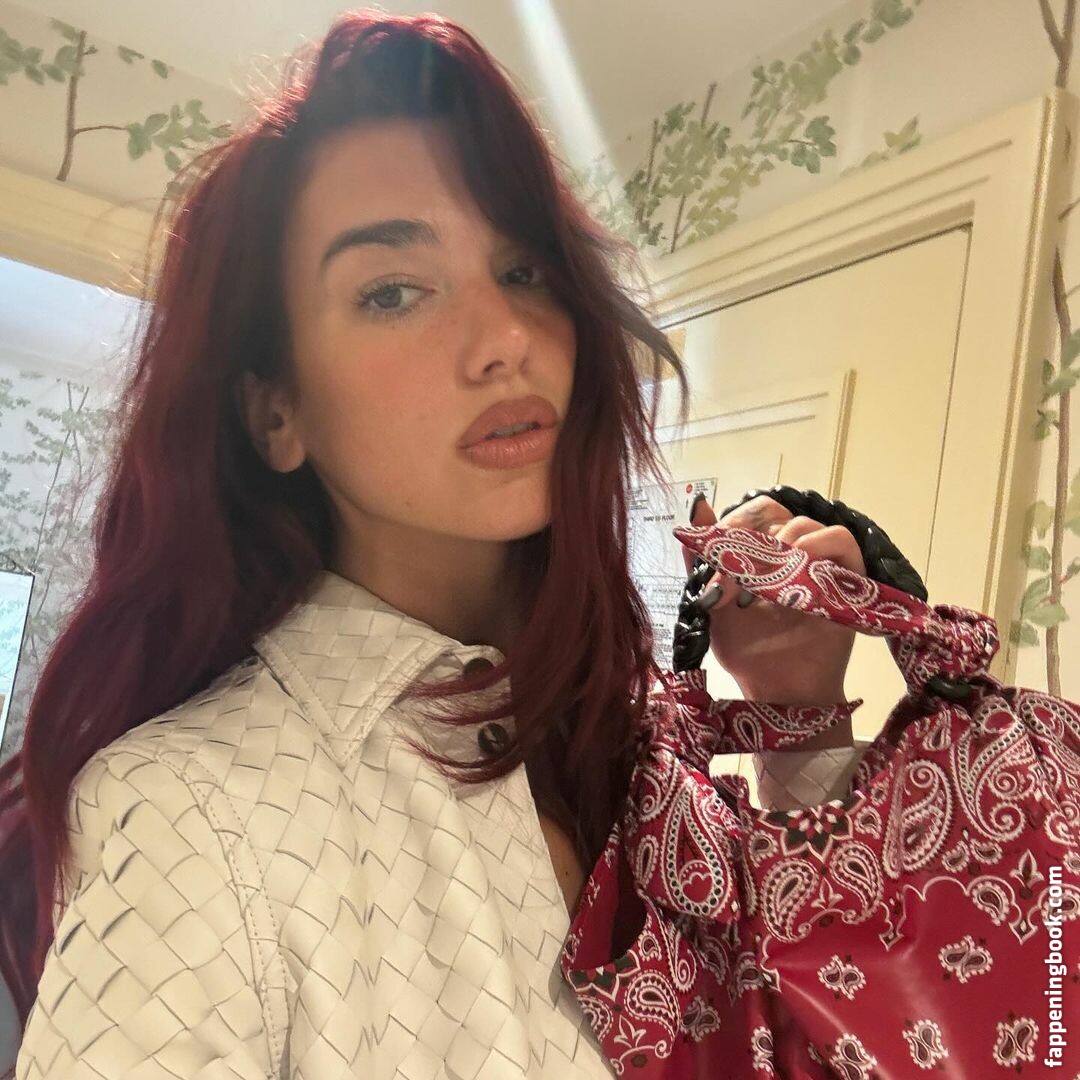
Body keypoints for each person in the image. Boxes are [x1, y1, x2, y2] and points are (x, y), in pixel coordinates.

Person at [0, 11, 871, 1078]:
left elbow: (824, 1030)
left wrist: (798, 714)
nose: (506, 339)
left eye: (525, 271)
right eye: (392, 292)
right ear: (277, 412)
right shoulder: (195, 815)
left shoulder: (632, 744)